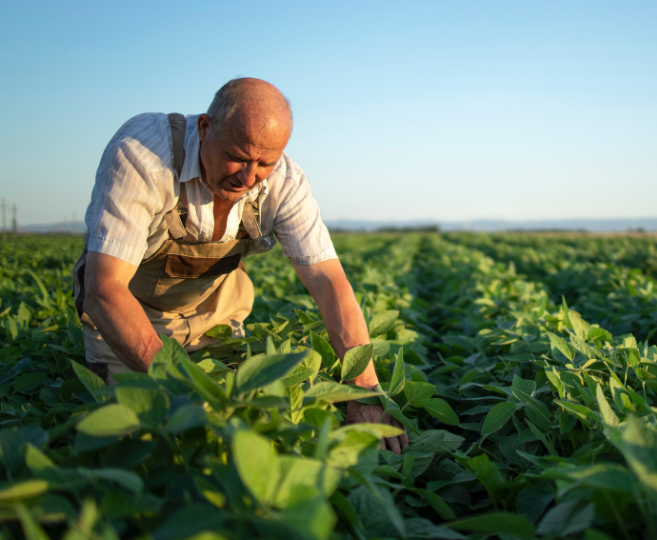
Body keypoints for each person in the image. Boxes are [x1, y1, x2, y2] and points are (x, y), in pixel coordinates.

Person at [72, 78, 408, 453]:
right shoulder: (143, 155)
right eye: (238, 156)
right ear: (204, 128)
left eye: (265, 163)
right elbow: (104, 292)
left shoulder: (286, 183)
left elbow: (329, 283)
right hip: (128, 317)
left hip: (215, 314)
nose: (248, 177)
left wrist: (362, 391)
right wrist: (187, 391)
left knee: (245, 436)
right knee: (140, 441)